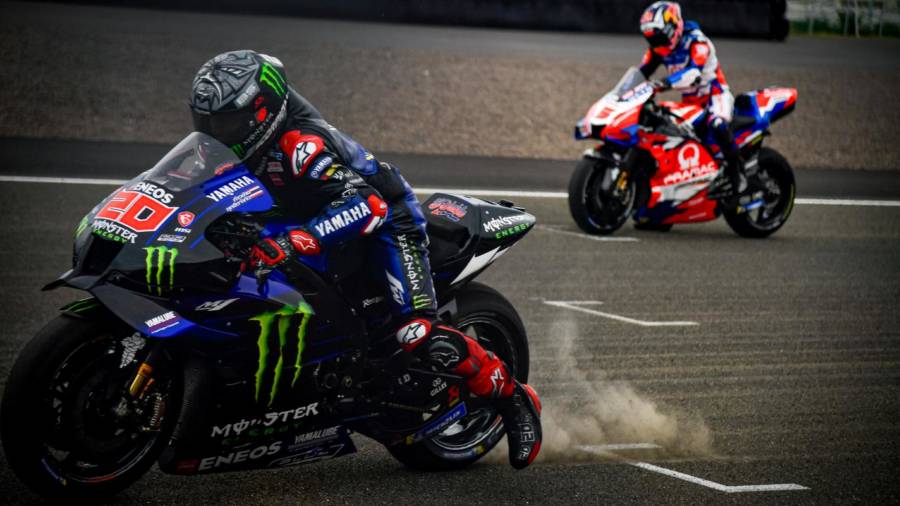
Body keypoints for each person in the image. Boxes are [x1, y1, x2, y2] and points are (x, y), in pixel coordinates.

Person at [189, 50, 541, 469]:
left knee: (415, 332)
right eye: (206, 121)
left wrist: (297, 240)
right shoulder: (227, 148)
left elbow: (367, 206)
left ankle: (512, 399)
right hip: (310, 216)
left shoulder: (302, 146)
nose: (214, 132)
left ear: (259, 114)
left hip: (386, 221)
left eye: (225, 122)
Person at [638, 1, 747, 198]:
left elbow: (693, 74)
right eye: (652, 38)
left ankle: (737, 173)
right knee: (667, 129)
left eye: (660, 36)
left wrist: (663, 83)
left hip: (716, 96)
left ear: (673, 26)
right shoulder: (659, 49)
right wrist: (624, 93)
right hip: (691, 102)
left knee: (717, 124)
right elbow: (640, 73)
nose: (657, 42)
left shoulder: (697, 42)